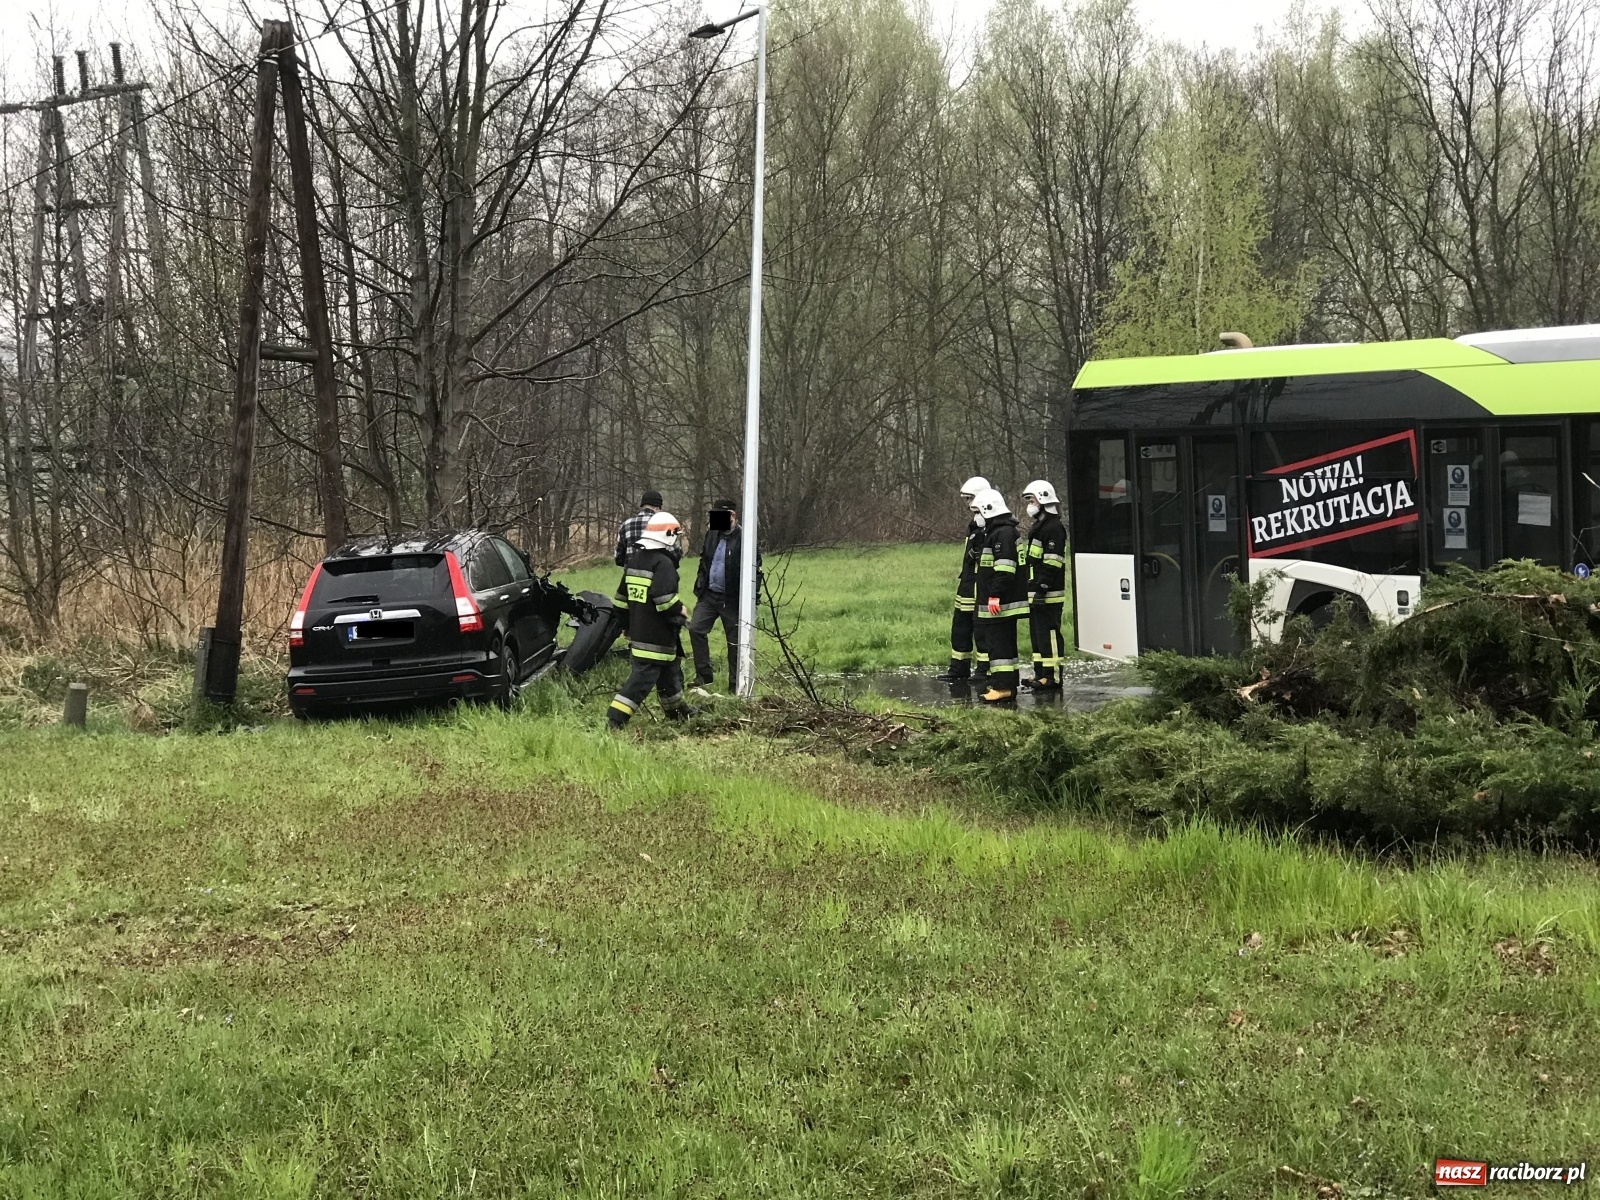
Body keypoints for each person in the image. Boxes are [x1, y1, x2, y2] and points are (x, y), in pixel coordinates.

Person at [608, 511, 697, 728]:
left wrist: (626, 626)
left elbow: (621, 601)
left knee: (668, 672)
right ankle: (615, 719)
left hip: (639, 632)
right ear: (668, 536)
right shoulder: (664, 564)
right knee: (642, 680)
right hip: (657, 635)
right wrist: (681, 609)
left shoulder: (635, 561)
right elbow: (664, 600)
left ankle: (677, 711)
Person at [689, 499, 760, 691]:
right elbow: (704, 559)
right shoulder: (712, 535)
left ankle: (735, 684)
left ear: (732, 516)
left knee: (735, 642)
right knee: (695, 629)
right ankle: (704, 677)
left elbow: (756, 570)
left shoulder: (745, 538)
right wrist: (700, 584)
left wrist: (752, 599)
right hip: (708, 595)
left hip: (731, 599)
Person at [973, 487, 1029, 703]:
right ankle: (1007, 684)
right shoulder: (1001, 532)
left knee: (999, 646)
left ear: (988, 509)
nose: (977, 516)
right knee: (1004, 645)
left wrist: (994, 596)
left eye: (978, 511)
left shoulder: (1002, 534)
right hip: (1001, 601)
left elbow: (1005, 569)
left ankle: (1002, 687)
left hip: (1000, 603)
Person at [936, 476, 992, 684]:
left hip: (981, 587)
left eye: (971, 499)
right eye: (967, 500)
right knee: (960, 627)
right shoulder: (974, 526)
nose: (969, 505)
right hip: (968, 584)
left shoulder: (992, 527)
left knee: (982, 631)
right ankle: (958, 668)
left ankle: (984, 670)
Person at [1020, 479, 1067, 692]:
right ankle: (1040, 674)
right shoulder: (1039, 526)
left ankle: (1052, 676)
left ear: (1043, 500)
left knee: (1049, 634)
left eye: (1031, 500)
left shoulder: (1054, 527)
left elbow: (1052, 561)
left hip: (1049, 591)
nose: (1029, 504)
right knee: (1038, 635)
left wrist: (1043, 586)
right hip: (1036, 589)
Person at [614, 489, 663, 567]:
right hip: (658, 576)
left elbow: (618, 558)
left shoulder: (626, 525)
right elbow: (675, 554)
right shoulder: (664, 524)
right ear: (657, 507)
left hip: (631, 576)